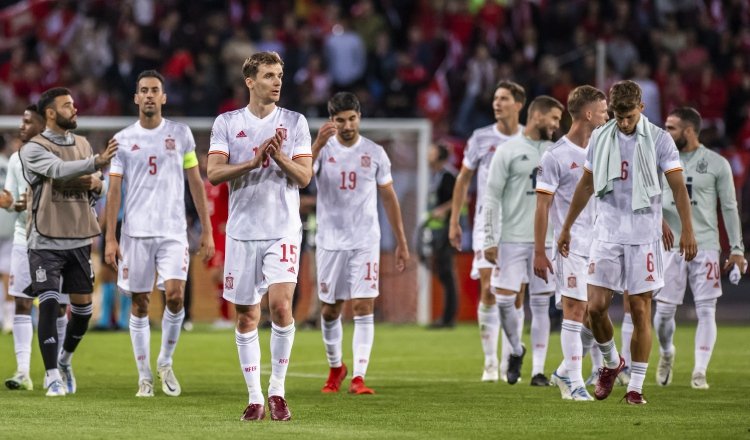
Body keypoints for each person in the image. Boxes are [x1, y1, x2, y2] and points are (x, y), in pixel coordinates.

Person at [557, 80, 697, 405]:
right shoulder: (600, 138)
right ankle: (610, 362)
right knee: (595, 308)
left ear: (642, 109)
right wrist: (566, 227)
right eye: (618, 116)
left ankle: (635, 386)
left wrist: (687, 229)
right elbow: (587, 184)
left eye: (629, 116)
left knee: (639, 309)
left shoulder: (660, 140)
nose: (623, 123)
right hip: (605, 232)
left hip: (644, 236)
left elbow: (677, 187)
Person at [206, 51, 313, 422]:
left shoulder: (295, 122)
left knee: (281, 307)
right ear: (250, 81)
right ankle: (253, 397)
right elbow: (214, 172)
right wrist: (252, 163)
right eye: (269, 75)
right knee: (246, 317)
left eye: (280, 74)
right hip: (242, 232)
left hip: (283, 229)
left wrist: (279, 157)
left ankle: (277, 392)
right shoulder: (227, 122)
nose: (277, 81)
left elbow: (304, 177)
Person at [104, 70, 215, 398]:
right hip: (136, 233)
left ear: (164, 97)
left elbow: (196, 182)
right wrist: (110, 237)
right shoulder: (122, 140)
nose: (150, 95)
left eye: (155, 90)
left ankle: (165, 361)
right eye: (144, 91)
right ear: (136, 98)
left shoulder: (181, 135)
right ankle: (144, 376)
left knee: (176, 295)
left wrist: (207, 230)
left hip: (172, 232)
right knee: (140, 303)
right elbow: (113, 191)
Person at [19, 87, 118, 397]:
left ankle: (64, 360)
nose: (74, 109)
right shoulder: (33, 148)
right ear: (51, 113)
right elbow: (57, 171)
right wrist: (95, 164)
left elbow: (98, 189)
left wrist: (97, 183)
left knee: (82, 312)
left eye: (74, 104)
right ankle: (51, 377)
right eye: (67, 106)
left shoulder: (83, 144)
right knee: (48, 304)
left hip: (78, 238)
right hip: (45, 239)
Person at [312, 92, 409, 395]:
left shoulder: (376, 153)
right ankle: (335, 367)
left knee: (363, 305)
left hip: (365, 239)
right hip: (329, 240)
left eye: (351, 118)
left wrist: (402, 241)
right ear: (332, 121)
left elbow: (389, 198)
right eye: (340, 120)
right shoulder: (322, 150)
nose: (347, 125)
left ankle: (358, 377)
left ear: (359, 118)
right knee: (330, 310)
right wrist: (315, 144)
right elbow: (301, 179)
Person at [654, 107, 746, 390]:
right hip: (670, 246)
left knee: (707, 310)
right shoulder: (660, 161)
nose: (665, 132)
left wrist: (737, 248)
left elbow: (730, 208)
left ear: (689, 131)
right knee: (664, 312)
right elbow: (648, 198)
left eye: (671, 128)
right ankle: (667, 352)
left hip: (705, 244)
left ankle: (699, 371)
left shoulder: (717, 163)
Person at [533, 85, 609, 400]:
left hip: (602, 243)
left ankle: (566, 369)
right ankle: (574, 383)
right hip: (570, 245)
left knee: (595, 311)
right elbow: (542, 207)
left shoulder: (605, 150)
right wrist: (539, 251)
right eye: (604, 110)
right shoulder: (556, 155)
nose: (608, 115)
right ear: (588, 114)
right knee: (575, 310)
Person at [448, 80, 525, 382]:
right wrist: (456, 220)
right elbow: (463, 180)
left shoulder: (530, 139)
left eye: (504, 98)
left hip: (520, 223)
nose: (497, 103)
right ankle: (491, 363)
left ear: (518, 104)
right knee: (489, 288)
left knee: (517, 295)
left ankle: (511, 359)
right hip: (487, 222)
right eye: (495, 98)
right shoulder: (481, 138)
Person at [484, 95, 564, 386]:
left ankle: (538, 371)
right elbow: (491, 196)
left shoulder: (557, 151)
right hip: (510, 239)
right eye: (554, 118)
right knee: (504, 301)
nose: (557, 125)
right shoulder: (508, 150)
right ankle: (517, 349)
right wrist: (489, 238)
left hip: (547, 240)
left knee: (542, 304)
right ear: (538, 116)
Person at [2, 105, 70, 390]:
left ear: (42, 125)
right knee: (21, 301)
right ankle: (22, 371)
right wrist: (9, 201)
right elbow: (9, 195)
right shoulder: (16, 160)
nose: (22, 126)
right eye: (22, 121)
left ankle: (57, 369)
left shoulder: (58, 156)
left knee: (56, 308)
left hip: (55, 240)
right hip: (23, 237)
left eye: (28, 122)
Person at [426, 142, 457, 328]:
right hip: (438, 229)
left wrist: (442, 210)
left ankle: (448, 318)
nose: (428, 154)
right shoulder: (436, 175)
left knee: (447, 273)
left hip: (449, 229)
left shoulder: (448, 175)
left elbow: (461, 198)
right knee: (443, 273)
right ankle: (445, 317)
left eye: (432, 151)